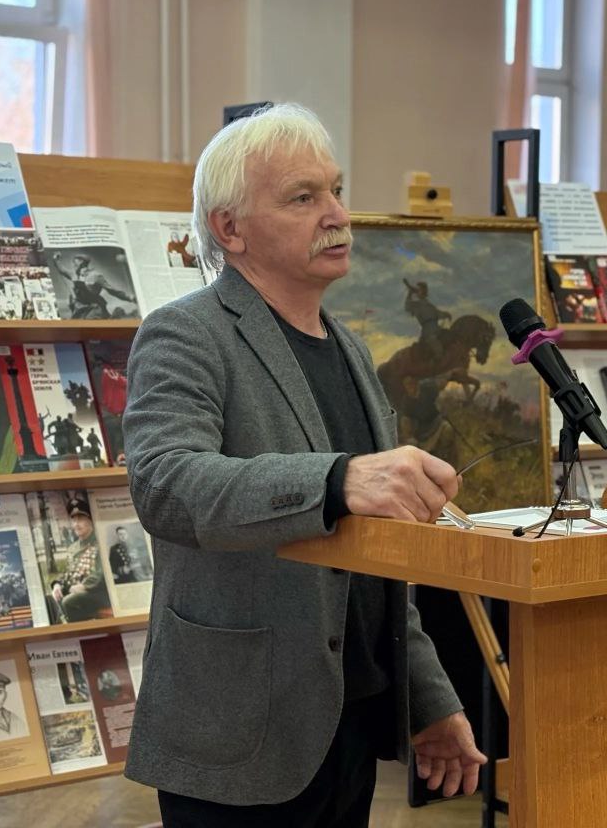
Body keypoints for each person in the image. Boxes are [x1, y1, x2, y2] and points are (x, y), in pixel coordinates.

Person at [122, 104, 481, 826]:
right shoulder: (185, 334)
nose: (338, 215)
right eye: (303, 197)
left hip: (346, 726)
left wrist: (430, 700)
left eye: (337, 190)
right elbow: (166, 485)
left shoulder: (351, 349)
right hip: (237, 733)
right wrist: (335, 480)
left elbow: (376, 563)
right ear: (230, 229)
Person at [52, 507, 110, 623]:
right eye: (74, 520)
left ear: (91, 521)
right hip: (75, 590)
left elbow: (101, 572)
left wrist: (84, 586)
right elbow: (66, 572)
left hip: (95, 592)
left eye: (81, 519)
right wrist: (57, 585)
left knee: (68, 601)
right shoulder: (73, 547)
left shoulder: (100, 542)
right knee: (50, 599)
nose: (76, 524)